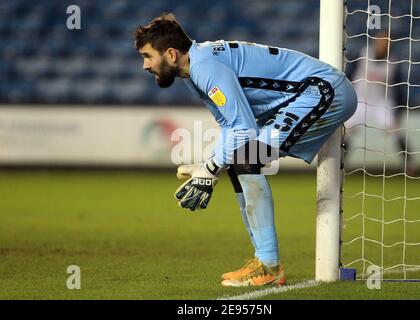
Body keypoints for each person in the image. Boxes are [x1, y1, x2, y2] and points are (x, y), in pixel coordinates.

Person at [134, 13, 357, 287]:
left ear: (170, 53)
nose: (145, 66)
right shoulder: (196, 70)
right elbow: (232, 126)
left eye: (147, 56)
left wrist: (211, 169)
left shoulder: (204, 67)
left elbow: (243, 129)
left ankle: (269, 265)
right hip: (310, 93)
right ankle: (264, 261)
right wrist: (211, 166)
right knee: (241, 160)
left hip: (322, 91)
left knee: (245, 156)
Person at [344, 31, 415, 175]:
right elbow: (348, 75)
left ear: (390, 44)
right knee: (344, 132)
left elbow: (398, 87)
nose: (383, 44)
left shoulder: (394, 62)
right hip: (360, 101)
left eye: (386, 42)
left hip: (382, 103)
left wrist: (398, 113)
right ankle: (341, 164)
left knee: (396, 131)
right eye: (381, 41)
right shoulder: (362, 55)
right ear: (375, 41)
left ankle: (409, 164)